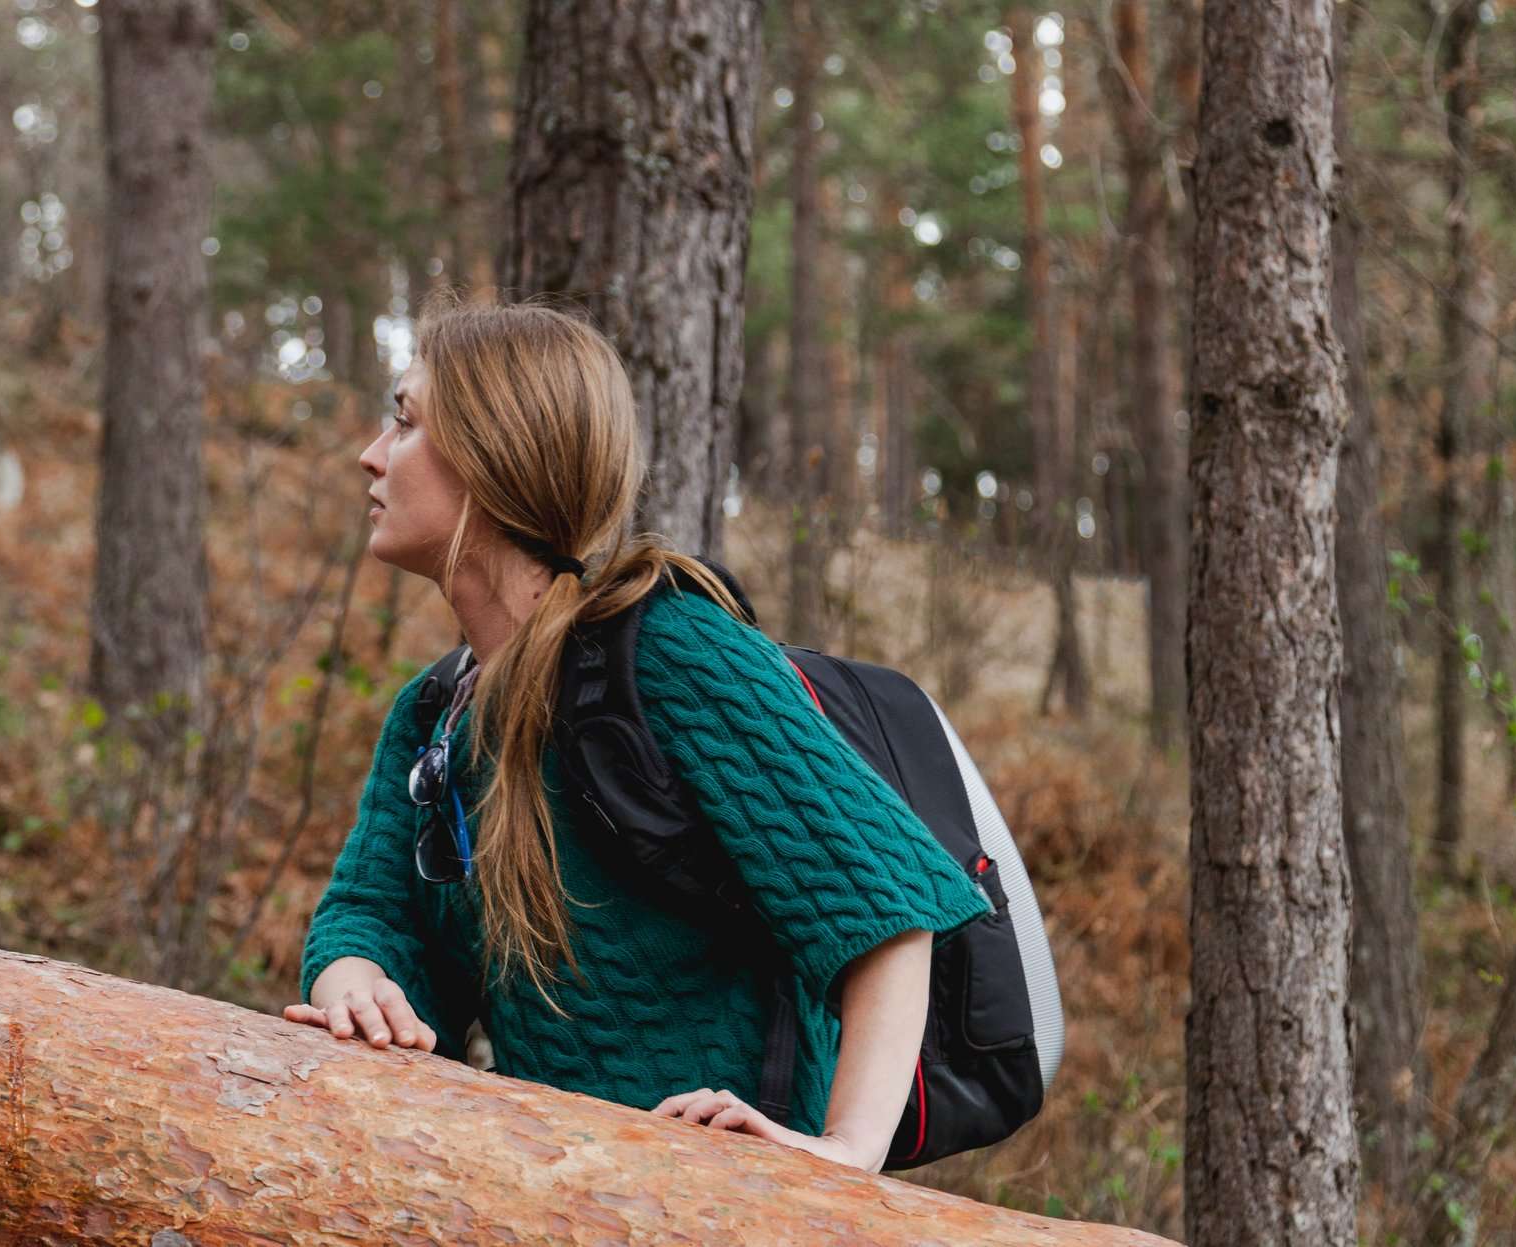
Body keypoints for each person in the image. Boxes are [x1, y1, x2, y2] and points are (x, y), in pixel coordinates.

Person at [280, 296, 988, 1171]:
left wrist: (844, 1151)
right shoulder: (432, 714)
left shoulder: (667, 652)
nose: (370, 453)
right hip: (556, 1197)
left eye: (404, 421)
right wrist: (355, 981)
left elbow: (885, 904)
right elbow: (368, 913)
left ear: (493, 454)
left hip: (735, 1201)